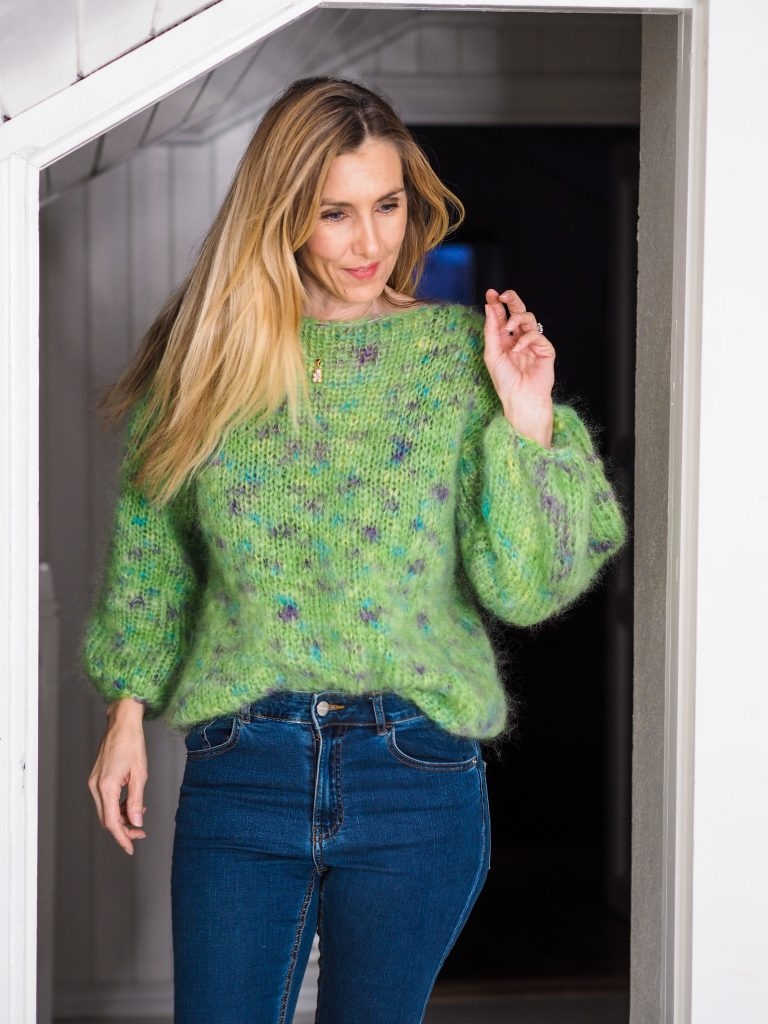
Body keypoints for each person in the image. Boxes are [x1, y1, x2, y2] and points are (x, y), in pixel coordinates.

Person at [85, 77, 625, 1024]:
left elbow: (528, 586)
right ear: (283, 216)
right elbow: (153, 554)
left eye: (387, 206)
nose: (368, 242)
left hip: (411, 769)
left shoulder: (455, 358)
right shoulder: (205, 361)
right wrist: (126, 714)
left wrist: (527, 415)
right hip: (243, 764)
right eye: (335, 213)